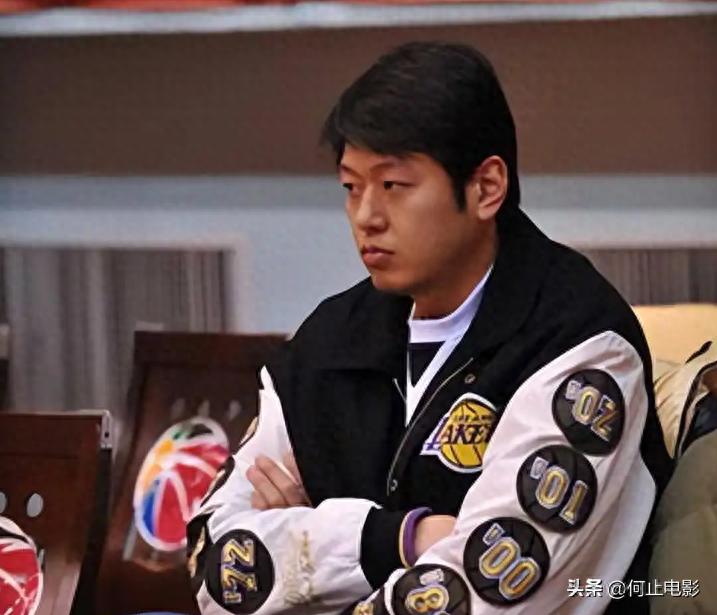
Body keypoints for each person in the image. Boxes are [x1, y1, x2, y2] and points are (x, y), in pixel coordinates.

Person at [187, 41, 672, 615]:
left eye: (393, 186)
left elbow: (486, 591)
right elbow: (215, 566)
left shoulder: (578, 341)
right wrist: (402, 539)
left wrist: (307, 555)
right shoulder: (329, 341)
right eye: (351, 187)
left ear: (486, 188)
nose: (366, 216)